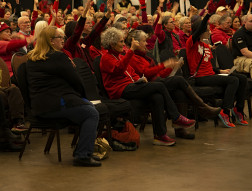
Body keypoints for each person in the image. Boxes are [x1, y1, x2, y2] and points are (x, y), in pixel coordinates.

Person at [100, 27, 196, 146]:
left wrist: (139, 79)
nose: (123, 44)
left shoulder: (120, 56)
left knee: (157, 97)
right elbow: (119, 69)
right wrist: (131, 51)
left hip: (131, 86)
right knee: (160, 86)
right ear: (112, 44)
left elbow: (132, 72)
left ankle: (160, 136)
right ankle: (176, 117)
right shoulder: (106, 58)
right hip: (120, 90)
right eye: (121, 41)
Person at [27, 26, 101, 167]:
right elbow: (77, 81)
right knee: (91, 113)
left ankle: (83, 150)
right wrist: (81, 98)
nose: (63, 40)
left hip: (40, 105)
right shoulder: (58, 57)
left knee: (88, 108)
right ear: (51, 41)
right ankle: (83, 155)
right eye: (60, 37)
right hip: (55, 104)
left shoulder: (32, 57)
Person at [127, 30, 221, 138]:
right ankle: (202, 107)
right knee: (179, 80)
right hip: (148, 87)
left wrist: (171, 67)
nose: (146, 44)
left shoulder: (146, 56)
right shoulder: (133, 57)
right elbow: (146, 73)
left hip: (157, 82)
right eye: (144, 41)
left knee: (179, 92)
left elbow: (158, 74)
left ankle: (180, 130)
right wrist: (164, 65)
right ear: (136, 42)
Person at [186, 11, 248, 128]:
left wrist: (220, 71)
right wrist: (207, 16)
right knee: (233, 80)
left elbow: (208, 65)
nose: (209, 32)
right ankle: (225, 111)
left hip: (210, 75)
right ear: (201, 31)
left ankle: (238, 109)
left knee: (242, 78)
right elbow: (198, 31)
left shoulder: (205, 46)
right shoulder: (192, 43)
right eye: (207, 30)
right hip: (200, 78)